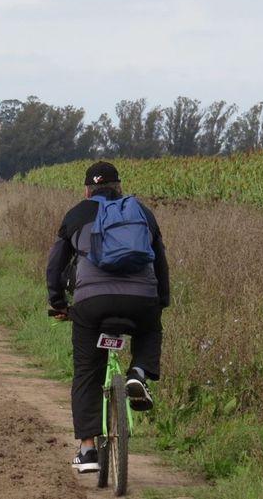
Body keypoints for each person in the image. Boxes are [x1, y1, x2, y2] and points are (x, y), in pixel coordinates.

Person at [46, 161, 170, 474]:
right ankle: (138, 373)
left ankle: (87, 451)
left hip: (92, 302)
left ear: (88, 189)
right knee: (150, 330)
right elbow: (161, 263)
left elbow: (56, 263)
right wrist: (160, 302)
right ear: (119, 187)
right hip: (141, 299)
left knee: (87, 370)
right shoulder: (140, 212)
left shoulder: (77, 213)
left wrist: (58, 302)